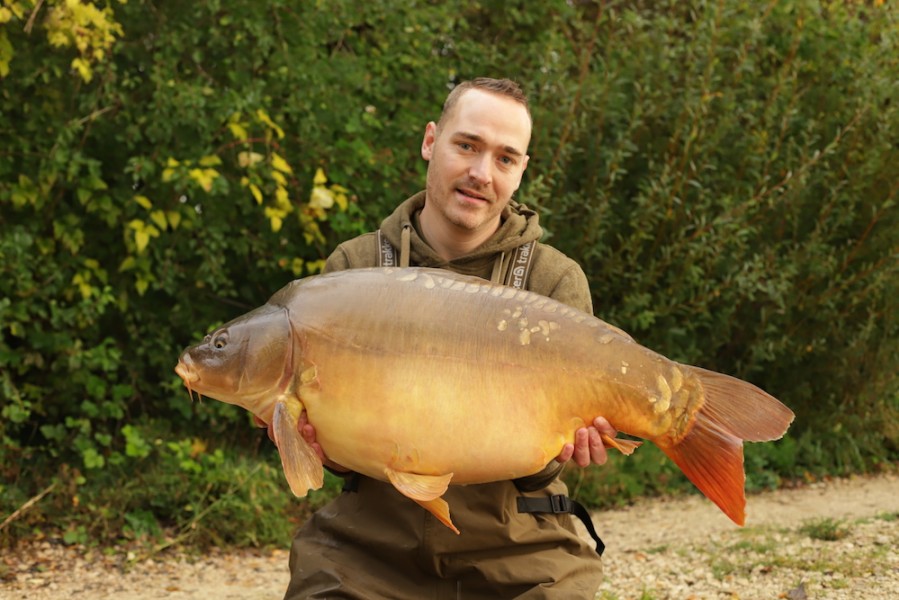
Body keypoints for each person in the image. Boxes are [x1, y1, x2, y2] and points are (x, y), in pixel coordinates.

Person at [278, 77, 617, 599]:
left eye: (505, 158)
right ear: (431, 141)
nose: (482, 173)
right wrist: (315, 442)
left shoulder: (553, 281)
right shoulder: (352, 269)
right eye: (467, 145)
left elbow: (539, 471)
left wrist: (570, 446)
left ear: (521, 170)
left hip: (519, 550)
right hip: (371, 548)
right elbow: (338, 460)